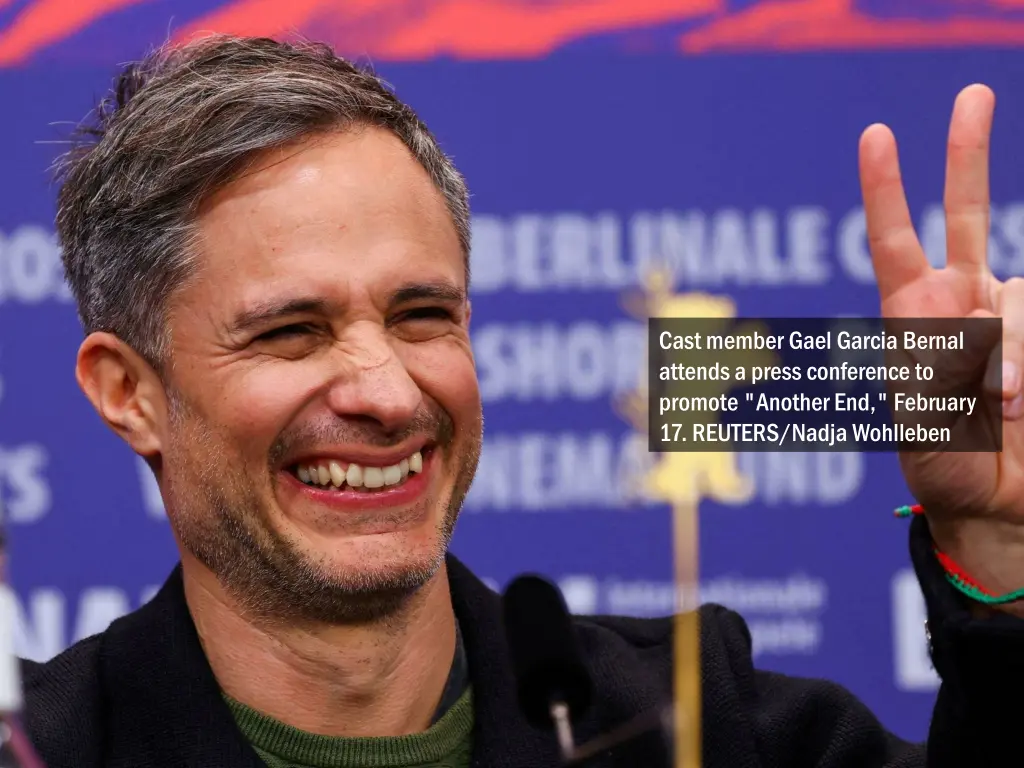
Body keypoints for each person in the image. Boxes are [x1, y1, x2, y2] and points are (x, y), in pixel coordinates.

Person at [19, 34, 1024, 768]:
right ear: (129, 393)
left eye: (421, 315)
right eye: (291, 330)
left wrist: (996, 550)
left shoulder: (700, 724)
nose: (385, 390)